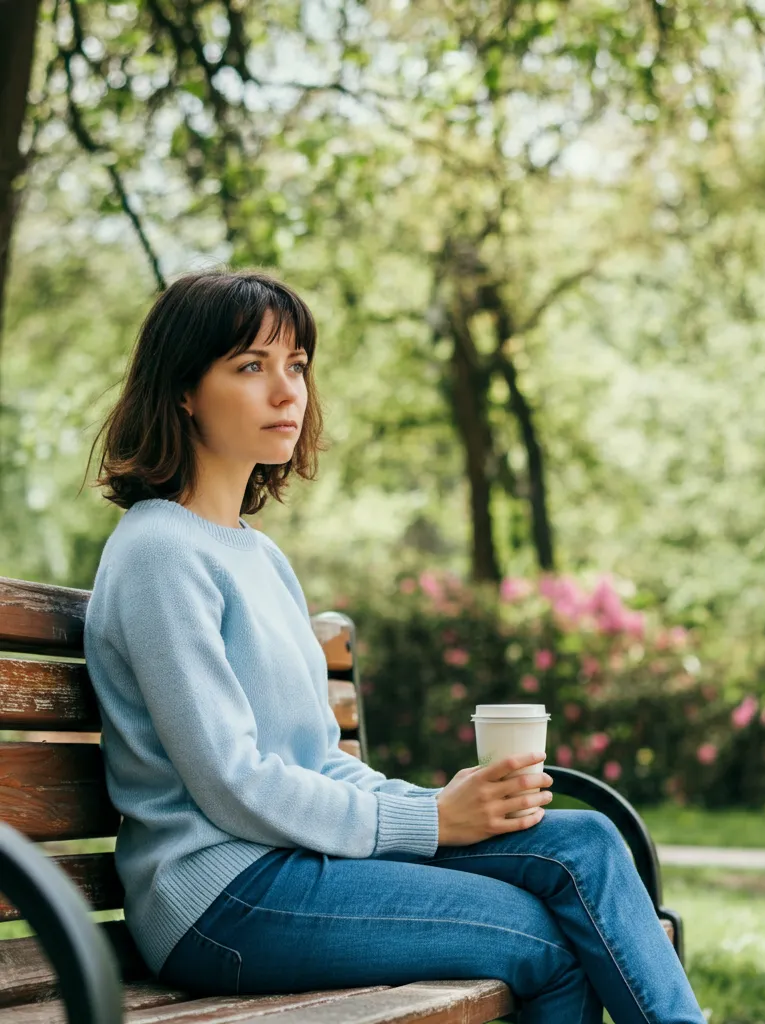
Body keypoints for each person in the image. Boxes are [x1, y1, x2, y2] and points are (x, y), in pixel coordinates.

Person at [82, 268, 706, 1023]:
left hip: (291, 863)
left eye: (297, 366)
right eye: (252, 366)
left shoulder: (257, 555)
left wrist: (437, 804)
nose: (287, 391)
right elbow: (231, 782)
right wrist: (432, 822)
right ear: (183, 390)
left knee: (586, 843)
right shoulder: (159, 552)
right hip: (221, 898)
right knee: (544, 941)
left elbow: (315, 762)